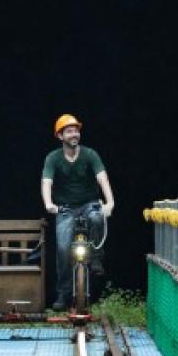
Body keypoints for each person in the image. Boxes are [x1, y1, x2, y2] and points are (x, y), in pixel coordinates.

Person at [41, 113, 115, 311]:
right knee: (63, 249)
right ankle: (63, 293)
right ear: (60, 136)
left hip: (89, 203)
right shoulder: (53, 158)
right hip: (65, 208)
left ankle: (96, 257)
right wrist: (49, 203)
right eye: (69, 131)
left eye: (76, 130)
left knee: (97, 217)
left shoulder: (90, 154)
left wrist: (110, 202)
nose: (74, 134)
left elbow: (102, 177)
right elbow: (47, 182)